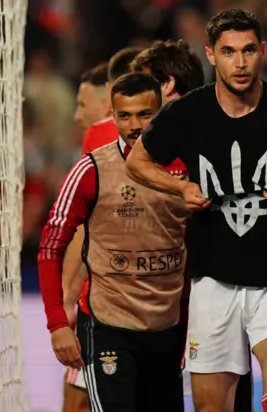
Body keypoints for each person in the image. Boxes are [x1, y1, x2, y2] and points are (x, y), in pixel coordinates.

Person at [125, 9, 267, 412]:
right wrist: (179, 187)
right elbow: (137, 162)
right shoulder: (186, 113)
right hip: (213, 281)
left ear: (263, 52)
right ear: (211, 55)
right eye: (229, 51)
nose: (240, 62)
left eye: (249, 50)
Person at [38, 72, 188, 411]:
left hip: (167, 329)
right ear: (113, 115)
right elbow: (50, 247)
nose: (134, 125)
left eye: (144, 114)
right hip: (109, 328)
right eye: (124, 115)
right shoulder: (90, 169)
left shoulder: (188, 165)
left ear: (161, 110)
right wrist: (58, 323)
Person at [130, 39, 255, 412]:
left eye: (144, 83)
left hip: (204, 290)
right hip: (171, 297)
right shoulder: (151, 143)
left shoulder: (208, 130)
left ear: (167, 85)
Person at [61, 62, 111, 412]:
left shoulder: (100, 136)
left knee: (78, 404)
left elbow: (82, 228)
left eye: (83, 104)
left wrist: (67, 297)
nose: (77, 115)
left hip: (100, 305)